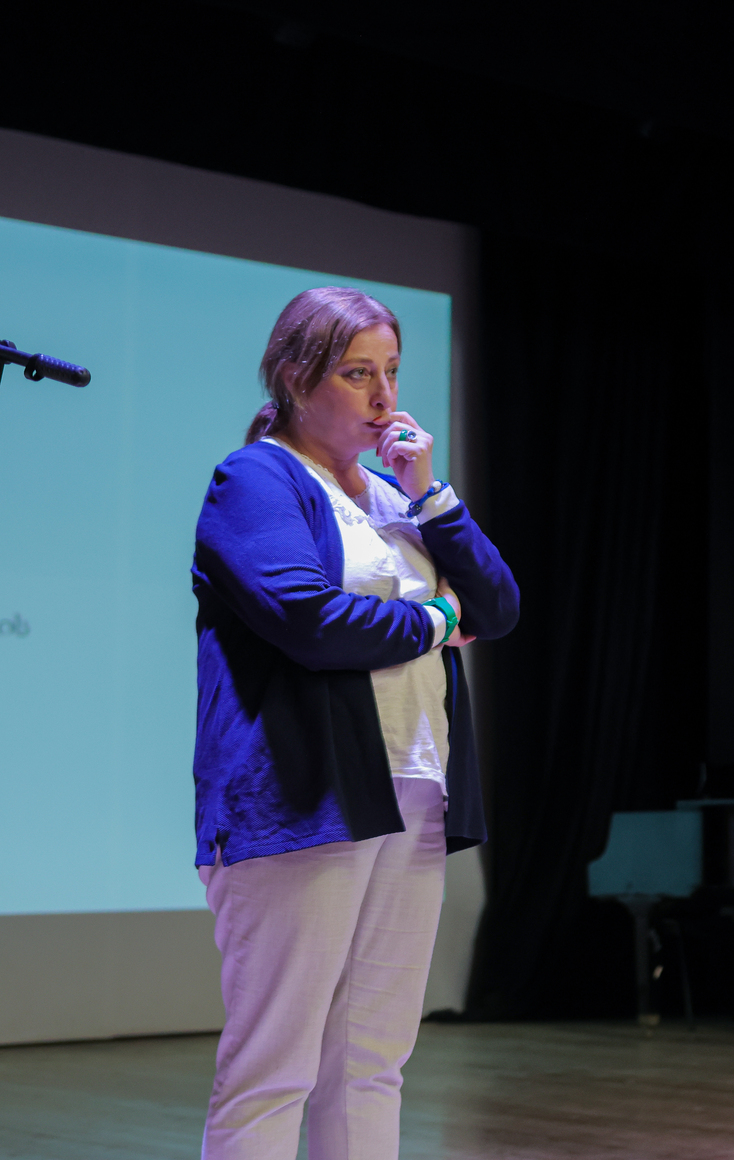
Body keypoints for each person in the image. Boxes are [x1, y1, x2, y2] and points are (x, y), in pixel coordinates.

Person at [190, 286, 519, 1159]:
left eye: (392, 372)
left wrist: (431, 496)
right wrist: (435, 622)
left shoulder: (394, 496)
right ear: (296, 378)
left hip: (413, 791)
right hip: (304, 798)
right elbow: (308, 618)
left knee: (372, 1061)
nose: (385, 398)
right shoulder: (256, 478)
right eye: (357, 374)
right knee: (275, 1067)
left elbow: (498, 605)